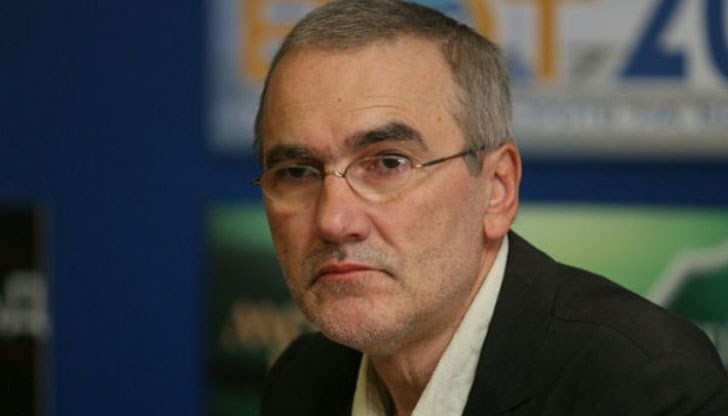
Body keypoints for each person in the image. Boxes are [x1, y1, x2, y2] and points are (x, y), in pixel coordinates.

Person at [251, 0, 728, 414]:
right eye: (296, 172)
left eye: (388, 163)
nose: (333, 220)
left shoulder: (642, 385)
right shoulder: (303, 380)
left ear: (497, 189)